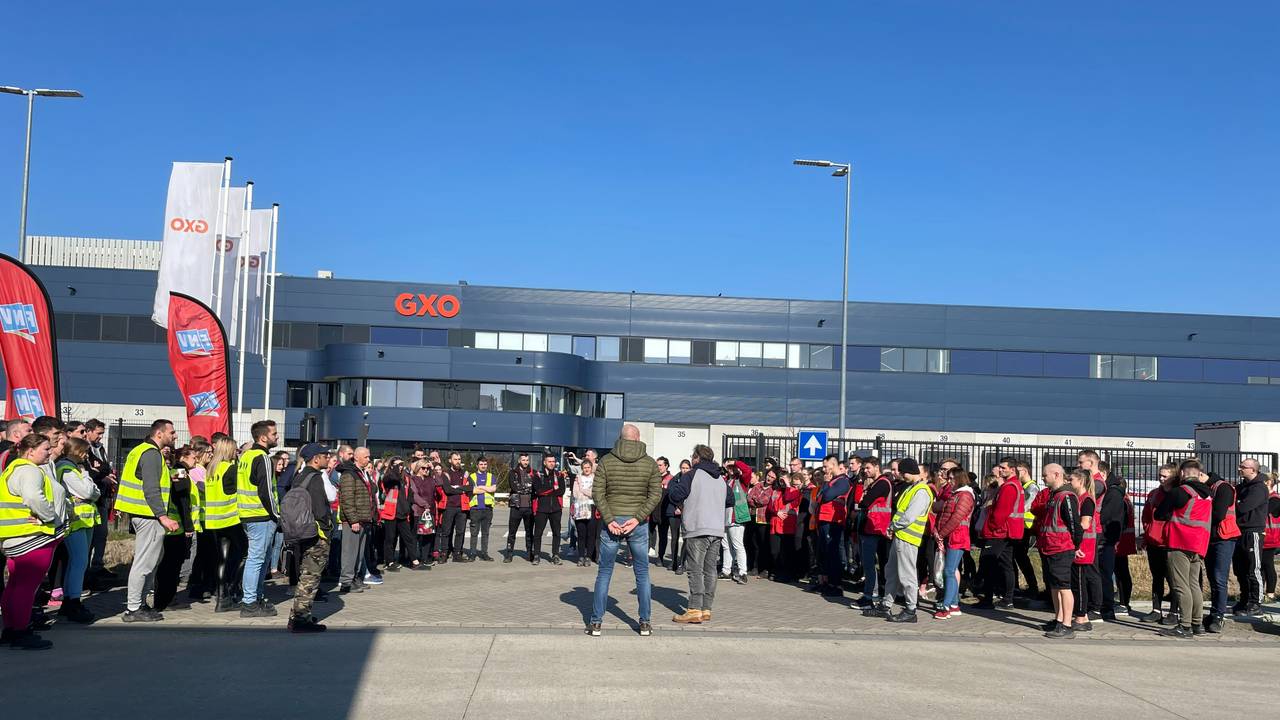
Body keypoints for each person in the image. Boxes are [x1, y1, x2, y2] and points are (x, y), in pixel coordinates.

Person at [585, 426, 663, 636]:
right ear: (638, 438)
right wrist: (638, 518)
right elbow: (656, 494)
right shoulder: (649, 463)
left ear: (621, 438)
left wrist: (609, 519)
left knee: (604, 572)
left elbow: (597, 492)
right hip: (637, 524)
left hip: (612, 523)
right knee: (642, 574)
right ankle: (645, 622)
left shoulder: (606, 462)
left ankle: (596, 623)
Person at [0, 434, 61, 649]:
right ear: (30, 451)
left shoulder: (13, 469)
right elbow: (34, 497)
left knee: (14, 586)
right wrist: (50, 516)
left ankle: (10, 629)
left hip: (13, 537)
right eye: (45, 448)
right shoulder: (29, 471)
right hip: (32, 538)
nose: (49, 452)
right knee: (27, 588)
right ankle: (21, 632)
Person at [115, 419, 179, 623]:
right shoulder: (151, 454)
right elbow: (150, 488)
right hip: (148, 515)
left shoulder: (142, 450)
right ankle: (134, 608)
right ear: (159, 434)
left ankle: (140, 604)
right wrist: (163, 516)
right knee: (144, 563)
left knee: (149, 562)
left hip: (144, 514)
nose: (175, 436)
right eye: (172, 432)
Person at [667, 444, 733, 624]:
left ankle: (694, 609)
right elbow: (730, 500)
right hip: (716, 529)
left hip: (697, 528)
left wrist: (672, 486)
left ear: (696, 458)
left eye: (692, 456)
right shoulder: (721, 479)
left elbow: (675, 495)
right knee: (710, 570)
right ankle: (706, 609)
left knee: (695, 569)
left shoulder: (692, 475)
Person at [1154, 461, 1212, 639]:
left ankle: (1184, 626)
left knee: (1180, 586)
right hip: (1199, 544)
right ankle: (1197, 623)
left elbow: (1159, 513)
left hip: (1180, 541)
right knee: (1194, 584)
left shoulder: (1180, 492)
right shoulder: (1207, 494)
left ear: (1183, 474)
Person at [878, 458, 932, 623]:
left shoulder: (921, 491)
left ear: (908, 472)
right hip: (901, 535)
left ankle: (910, 609)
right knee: (892, 571)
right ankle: (885, 605)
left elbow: (909, 516)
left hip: (907, 537)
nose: (900, 475)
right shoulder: (912, 488)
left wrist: (893, 526)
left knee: (907, 575)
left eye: (901, 472)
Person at [288, 443, 334, 633]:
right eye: (324, 455)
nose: (327, 458)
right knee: (310, 577)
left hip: (301, 531)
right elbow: (319, 508)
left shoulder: (300, 476)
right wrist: (326, 528)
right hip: (316, 534)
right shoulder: (314, 478)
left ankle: (299, 615)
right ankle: (300, 620)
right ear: (315, 459)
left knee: (305, 575)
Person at [52, 436, 99, 623]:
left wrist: (89, 492)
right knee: (78, 562)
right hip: (75, 520)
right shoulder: (67, 468)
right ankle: (72, 601)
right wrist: (87, 477)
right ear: (77, 450)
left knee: (78, 563)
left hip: (85, 519)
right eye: (84, 451)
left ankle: (71, 601)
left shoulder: (74, 468)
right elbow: (89, 492)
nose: (87, 454)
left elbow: (94, 493)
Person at [237, 420, 280, 618]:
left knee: (258, 558)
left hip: (249, 514)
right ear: (263, 437)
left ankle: (254, 597)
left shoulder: (246, 456)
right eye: (274, 434)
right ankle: (249, 602)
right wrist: (276, 515)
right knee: (256, 559)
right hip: (260, 515)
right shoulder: (262, 457)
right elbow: (266, 491)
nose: (277, 437)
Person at [1035, 464, 1082, 639]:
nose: (1042, 478)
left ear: (1056, 475)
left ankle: (1067, 624)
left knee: (1063, 586)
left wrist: (1076, 546)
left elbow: (1074, 525)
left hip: (1061, 547)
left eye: (1044, 475)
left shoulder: (1067, 497)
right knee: (1055, 586)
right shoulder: (1054, 496)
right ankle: (1059, 619)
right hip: (1050, 546)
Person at [975, 456, 1026, 610]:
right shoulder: (1014, 485)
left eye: (1004, 467)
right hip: (1008, 531)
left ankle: (989, 599)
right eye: (1000, 467)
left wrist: (990, 527)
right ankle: (1008, 599)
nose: (1000, 469)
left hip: (999, 531)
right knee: (1006, 564)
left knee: (988, 563)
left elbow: (1000, 513)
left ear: (1012, 469)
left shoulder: (1009, 487)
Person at [201, 437, 244, 611]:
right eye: (234, 449)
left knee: (222, 559)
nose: (236, 452)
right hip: (231, 518)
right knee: (245, 554)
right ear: (228, 450)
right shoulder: (231, 468)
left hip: (214, 520)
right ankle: (232, 588)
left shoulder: (211, 469)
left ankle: (221, 597)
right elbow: (237, 491)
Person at [932, 466, 974, 620]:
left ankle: (947, 606)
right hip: (951, 536)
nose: (948, 481)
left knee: (949, 571)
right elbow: (945, 513)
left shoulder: (965, 495)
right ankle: (954, 604)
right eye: (948, 478)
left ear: (959, 478)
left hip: (958, 536)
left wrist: (941, 534)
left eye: (951, 478)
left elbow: (956, 518)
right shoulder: (955, 494)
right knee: (950, 571)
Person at [1201, 463, 1240, 630]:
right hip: (1212, 537)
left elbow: (1218, 514)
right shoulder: (1209, 487)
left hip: (1224, 537)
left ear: (1201, 475)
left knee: (1219, 578)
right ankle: (1213, 612)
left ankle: (1218, 616)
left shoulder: (1223, 488)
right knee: (1212, 577)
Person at [1138, 463, 1175, 624]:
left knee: (1174, 579)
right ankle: (1156, 609)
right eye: (1160, 475)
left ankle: (1174, 611)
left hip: (1170, 543)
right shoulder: (1154, 494)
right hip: (1154, 541)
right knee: (1157, 577)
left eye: (1165, 476)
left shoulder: (1177, 494)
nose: (1161, 478)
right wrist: (1147, 533)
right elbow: (1146, 515)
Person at [1232, 457, 1267, 617]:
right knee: (1240, 569)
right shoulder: (1241, 487)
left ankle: (1256, 602)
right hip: (1239, 531)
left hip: (1252, 531)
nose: (1240, 469)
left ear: (1253, 469)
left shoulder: (1259, 488)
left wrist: (1238, 503)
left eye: (1243, 467)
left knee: (1253, 568)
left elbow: (1243, 506)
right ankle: (1244, 598)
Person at [83, 419, 117, 583]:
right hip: (90, 498)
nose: (101, 437)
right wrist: (101, 474)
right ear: (88, 431)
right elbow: (91, 471)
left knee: (102, 534)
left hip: (103, 497)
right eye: (98, 433)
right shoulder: (84, 449)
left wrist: (104, 471)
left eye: (102, 434)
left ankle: (97, 566)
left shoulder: (100, 448)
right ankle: (87, 570)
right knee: (91, 536)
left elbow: (103, 467)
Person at [337, 446, 375, 592]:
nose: (369, 459)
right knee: (350, 552)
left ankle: (355, 577)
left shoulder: (362, 473)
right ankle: (346, 582)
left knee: (359, 553)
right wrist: (353, 520)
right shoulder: (349, 474)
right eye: (366, 457)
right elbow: (346, 499)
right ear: (357, 457)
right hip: (353, 520)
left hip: (364, 518)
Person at [857, 456, 893, 610]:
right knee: (869, 563)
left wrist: (865, 498)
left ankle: (870, 596)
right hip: (872, 526)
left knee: (870, 564)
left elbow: (864, 502)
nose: (865, 471)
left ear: (877, 467)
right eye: (864, 468)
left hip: (876, 526)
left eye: (868, 468)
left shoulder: (882, 483)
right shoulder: (876, 483)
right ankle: (870, 594)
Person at [814, 453, 851, 597]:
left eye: (825, 466)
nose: (824, 469)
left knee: (833, 553)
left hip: (833, 521)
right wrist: (826, 485)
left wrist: (827, 486)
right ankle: (827, 582)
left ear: (833, 465)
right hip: (824, 519)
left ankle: (836, 585)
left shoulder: (842, 481)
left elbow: (828, 496)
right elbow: (820, 497)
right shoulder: (830, 481)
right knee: (825, 552)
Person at [1068, 468, 1098, 632]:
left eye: (1071, 479)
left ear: (1080, 481)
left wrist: (1072, 537)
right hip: (1077, 544)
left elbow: (1085, 524)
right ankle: (1080, 614)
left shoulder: (1086, 500)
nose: (1069, 482)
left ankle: (1082, 617)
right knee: (1075, 582)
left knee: (1079, 583)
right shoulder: (1078, 498)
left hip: (1083, 546)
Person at [380, 458, 418, 570]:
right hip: (390, 512)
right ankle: (389, 561)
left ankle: (414, 561)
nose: (400, 466)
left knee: (408, 538)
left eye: (401, 464)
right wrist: (394, 468)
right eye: (397, 465)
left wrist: (409, 507)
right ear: (391, 466)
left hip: (402, 512)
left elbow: (409, 494)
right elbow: (392, 478)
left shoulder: (405, 478)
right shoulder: (388, 477)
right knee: (390, 538)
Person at [1012, 461, 1040, 602]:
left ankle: (1033, 586)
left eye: (1018, 471)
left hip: (1026, 527)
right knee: (1018, 557)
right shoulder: (1023, 487)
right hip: (1021, 526)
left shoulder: (1032, 488)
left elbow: (1026, 506)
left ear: (1024, 471)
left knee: (1022, 558)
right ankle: (1022, 586)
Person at [768, 470, 802, 581]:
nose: (781, 481)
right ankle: (777, 571)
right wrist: (776, 512)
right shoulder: (775, 492)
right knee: (775, 551)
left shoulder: (794, 491)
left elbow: (788, 498)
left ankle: (787, 573)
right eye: (780, 479)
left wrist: (787, 484)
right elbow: (769, 507)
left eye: (783, 479)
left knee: (786, 551)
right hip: (775, 522)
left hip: (787, 524)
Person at [439, 452, 472, 563]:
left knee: (460, 532)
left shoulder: (465, 473)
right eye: (455, 459)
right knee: (446, 532)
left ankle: (457, 554)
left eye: (459, 459)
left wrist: (457, 487)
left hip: (462, 508)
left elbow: (470, 487)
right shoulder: (445, 474)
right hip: (449, 507)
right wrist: (462, 489)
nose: (458, 461)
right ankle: (444, 553)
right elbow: (447, 490)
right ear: (450, 460)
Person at [531, 452, 563, 565]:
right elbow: (538, 491)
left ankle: (555, 555)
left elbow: (561, 491)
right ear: (544, 463)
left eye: (553, 461)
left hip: (556, 509)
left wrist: (548, 491)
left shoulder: (559, 475)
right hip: (541, 509)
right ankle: (536, 555)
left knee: (557, 533)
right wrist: (553, 490)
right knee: (538, 533)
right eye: (549, 461)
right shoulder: (538, 475)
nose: (552, 463)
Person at [722, 462, 751, 585]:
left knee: (738, 546)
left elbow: (747, 470)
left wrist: (735, 462)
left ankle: (743, 572)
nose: (731, 470)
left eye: (733, 468)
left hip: (736, 517)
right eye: (729, 468)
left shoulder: (742, 480)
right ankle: (726, 571)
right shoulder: (726, 480)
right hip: (724, 517)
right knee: (726, 546)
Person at [407, 459, 438, 568]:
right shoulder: (413, 479)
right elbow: (414, 495)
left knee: (428, 535)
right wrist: (425, 505)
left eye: (427, 468)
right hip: (418, 511)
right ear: (418, 469)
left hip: (430, 512)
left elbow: (440, 483)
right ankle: (414, 558)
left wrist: (433, 469)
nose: (426, 470)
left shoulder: (430, 479)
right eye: (423, 468)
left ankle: (425, 558)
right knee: (415, 536)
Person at [505, 453, 536, 563]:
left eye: (527, 460)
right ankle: (509, 553)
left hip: (529, 507)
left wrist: (527, 487)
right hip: (516, 507)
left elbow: (536, 487)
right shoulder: (513, 472)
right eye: (523, 460)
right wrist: (528, 487)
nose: (526, 462)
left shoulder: (533, 473)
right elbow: (514, 487)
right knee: (512, 532)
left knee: (529, 532)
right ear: (519, 461)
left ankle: (530, 553)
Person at [662, 459, 689, 573]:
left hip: (687, 512)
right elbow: (671, 493)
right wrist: (678, 506)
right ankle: (673, 561)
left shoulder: (692, 479)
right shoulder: (675, 479)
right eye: (683, 468)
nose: (685, 470)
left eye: (687, 468)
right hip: (674, 511)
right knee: (674, 537)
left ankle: (682, 563)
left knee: (686, 537)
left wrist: (682, 507)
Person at [747, 461, 773, 579]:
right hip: (753, 516)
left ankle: (764, 568)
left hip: (764, 519)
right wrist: (756, 500)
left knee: (763, 544)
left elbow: (765, 500)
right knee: (754, 543)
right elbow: (749, 497)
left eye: (772, 477)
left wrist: (755, 499)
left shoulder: (772, 489)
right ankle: (754, 567)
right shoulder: (759, 485)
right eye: (769, 476)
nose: (769, 478)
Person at [467, 456, 497, 561]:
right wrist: (486, 488)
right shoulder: (472, 476)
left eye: (485, 464)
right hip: (475, 509)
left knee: (486, 533)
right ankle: (472, 553)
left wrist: (481, 487)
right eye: (481, 464)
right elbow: (472, 491)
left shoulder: (491, 476)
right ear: (477, 465)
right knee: (474, 533)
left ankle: (484, 553)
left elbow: (493, 489)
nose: (483, 466)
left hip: (488, 509)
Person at [572, 459, 600, 566]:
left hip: (592, 507)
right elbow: (575, 493)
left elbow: (595, 493)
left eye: (588, 467)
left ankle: (588, 556)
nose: (586, 469)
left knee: (591, 534)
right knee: (581, 533)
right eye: (584, 467)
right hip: (580, 507)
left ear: (591, 468)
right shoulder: (578, 478)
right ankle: (581, 556)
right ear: (582, 468)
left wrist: (583, 490)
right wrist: (584, 493)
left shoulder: (595, 478)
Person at [1262, 473, 1280, 601]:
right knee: (1261, 565)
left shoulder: (1274, 499)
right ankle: (1261, 592)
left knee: (1267, 564)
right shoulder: (1266, 497)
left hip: (1270, 537)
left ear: (1268, 482)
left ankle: (1270, 593)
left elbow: (1263, 512)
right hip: (1265, 536)